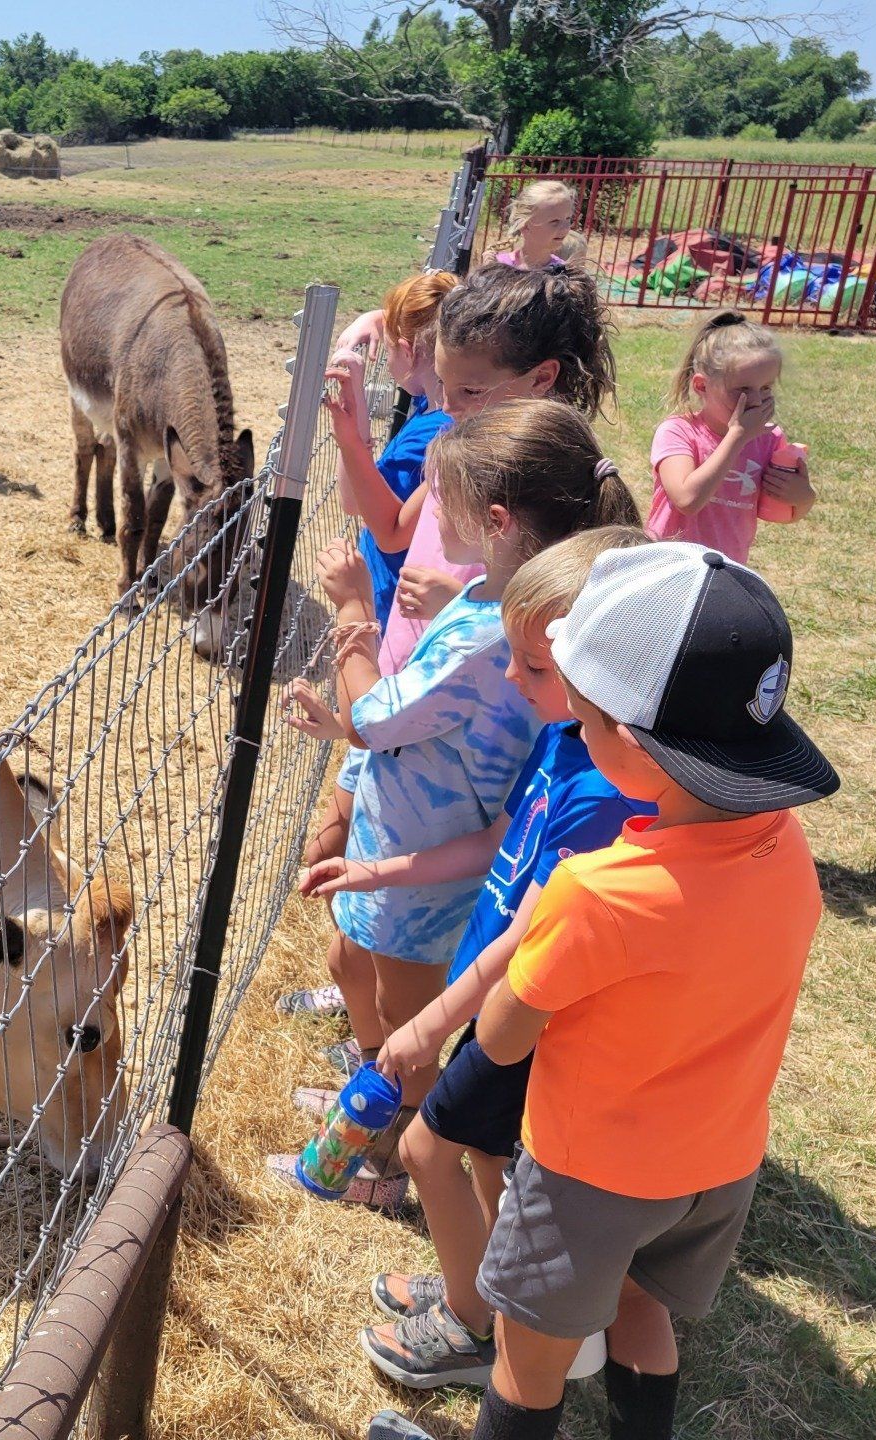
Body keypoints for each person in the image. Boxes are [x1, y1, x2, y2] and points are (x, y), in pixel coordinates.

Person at [371, 541, 839, 1440]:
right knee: (639, 1304)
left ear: (631, 741)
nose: (576, 735)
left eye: (584, 720)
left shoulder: (600, 891)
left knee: (526, 1363)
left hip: (592, 1177)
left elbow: (504, 1039)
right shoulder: (787, 848)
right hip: (717, 1163)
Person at [299, 521, 654, 1389]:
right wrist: (376, 869)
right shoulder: (565, 741)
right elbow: (497, 842)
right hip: (495, 994)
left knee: (430, 1149)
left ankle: (468, 1324)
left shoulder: (604, 790)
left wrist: (429, 1025)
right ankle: (487, 1291)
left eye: (532, 666)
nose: (512, 680)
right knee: (490, 1159)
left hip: (526, 1012)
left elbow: (537, 932)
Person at [270, 399, 641, 1209]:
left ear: (496, 522)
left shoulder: (494, 635)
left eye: (442, 500)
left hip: (431, 864)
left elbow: (376, 719)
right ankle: (370, 1094)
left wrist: (354, 611)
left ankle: (384, 1159)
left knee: (403, 1009)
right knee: (348, 964)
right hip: (403, 842)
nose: (428, 514)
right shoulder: (492, 602)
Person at [276, 271, 459, 1036]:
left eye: (393, 340)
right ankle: (356, 983)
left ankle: (372, 1017)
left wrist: (350, 436)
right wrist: (362, 332)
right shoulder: (441, 419)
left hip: (389, 645)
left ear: (419, 347)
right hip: (389, 647)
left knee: (350, 846)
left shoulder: (438, 432)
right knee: (340, 840)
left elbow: (373, 516)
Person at [334, 262, 616, 678]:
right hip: (414, 664)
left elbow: (561, 631)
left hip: (472, 687)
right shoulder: (459, 447)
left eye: (470, 390)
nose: (448, 407)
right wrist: (350, 438)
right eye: (442, 384)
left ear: (542, 378)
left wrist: (459, 604)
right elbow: (393, 533)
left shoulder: (554, 482)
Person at [649, 311, 815, 563]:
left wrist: (804, 497)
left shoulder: (769, 439)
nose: (756, 400)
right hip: (668, 565)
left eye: (766, 388)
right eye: (742, 389)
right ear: (702, 386)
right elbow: (687, 500)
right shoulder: (678, 431)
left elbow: (779, 511)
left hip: (725, 570)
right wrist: (738, 437)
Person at [494, 181, 577, 271]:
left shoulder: (564, 273)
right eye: (554, 221)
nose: (565, 229)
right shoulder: (499, 267)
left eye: (568, 219)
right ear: (525, 226)